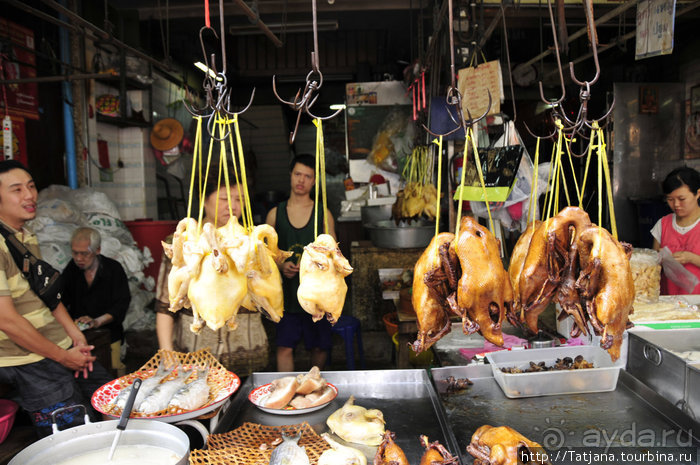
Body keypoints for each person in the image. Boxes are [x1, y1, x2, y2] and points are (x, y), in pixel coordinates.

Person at [0, 160, 111, 438]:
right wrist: (63, 357)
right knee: (73, 434)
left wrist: (74, 334)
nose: (29, 195)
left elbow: (44, 292)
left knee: (111, 400)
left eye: (31, 186)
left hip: (58, 344)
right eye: (17, 190)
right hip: (26, 359)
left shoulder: (24, 235)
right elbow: (7, 320)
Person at [155, 165, 269, 376]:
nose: (233, 206)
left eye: (239, 199)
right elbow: (164, 306)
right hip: (195, 358)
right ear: (204, 199)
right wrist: (167, 353)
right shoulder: (183, 244)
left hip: (248, 353)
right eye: (226, 199)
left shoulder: (251, 243)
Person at [265, 154, 336, 372]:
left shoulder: (323, 214)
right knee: (285, 347)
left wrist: (318, 264)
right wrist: (280, 265)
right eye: (298, 174)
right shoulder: (275, 214)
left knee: (320, 347)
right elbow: (265, 256)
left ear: (314, 181)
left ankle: (312, 387)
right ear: (290, 175)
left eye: (307, 176)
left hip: (317, 296)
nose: (301, 180)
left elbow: (335, 255)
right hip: (286, 295)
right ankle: (287, 395)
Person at [61, 227, 131, 375]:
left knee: (112, 373)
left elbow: (121, 305)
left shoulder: (113, 270)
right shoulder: (71, 270)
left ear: (97, 250)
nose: (79, 258)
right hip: (80, 336)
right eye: (75, 253)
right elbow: (60, 302)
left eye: (85, 253)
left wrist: (97, 321)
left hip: (109, 333)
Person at [651, 166, 700, 294]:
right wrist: (659, 257)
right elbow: (653, 267)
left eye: (681, 199)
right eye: (670, 199)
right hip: (669, 302)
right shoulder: (662, 225)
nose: (676, 205)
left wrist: (692, 258)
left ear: (698, 193)